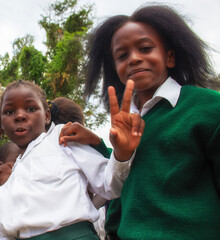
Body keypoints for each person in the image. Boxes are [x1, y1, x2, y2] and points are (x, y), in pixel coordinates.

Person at [85, 4, 220, 239]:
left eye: (145, 48)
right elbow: (120, 197)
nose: (135, 59)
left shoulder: (207, 108)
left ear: (169, 56)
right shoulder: (125, 125)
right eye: (122, 55)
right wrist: (118, 154)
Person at [0, 79, 144, 240]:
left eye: (31, 108)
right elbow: (4, 228)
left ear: (46, 116)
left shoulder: (61, 139)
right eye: (9, 112)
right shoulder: (11, 175)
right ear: (1, 123)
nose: (20, 116)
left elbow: (110, 183)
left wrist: (122, 153)